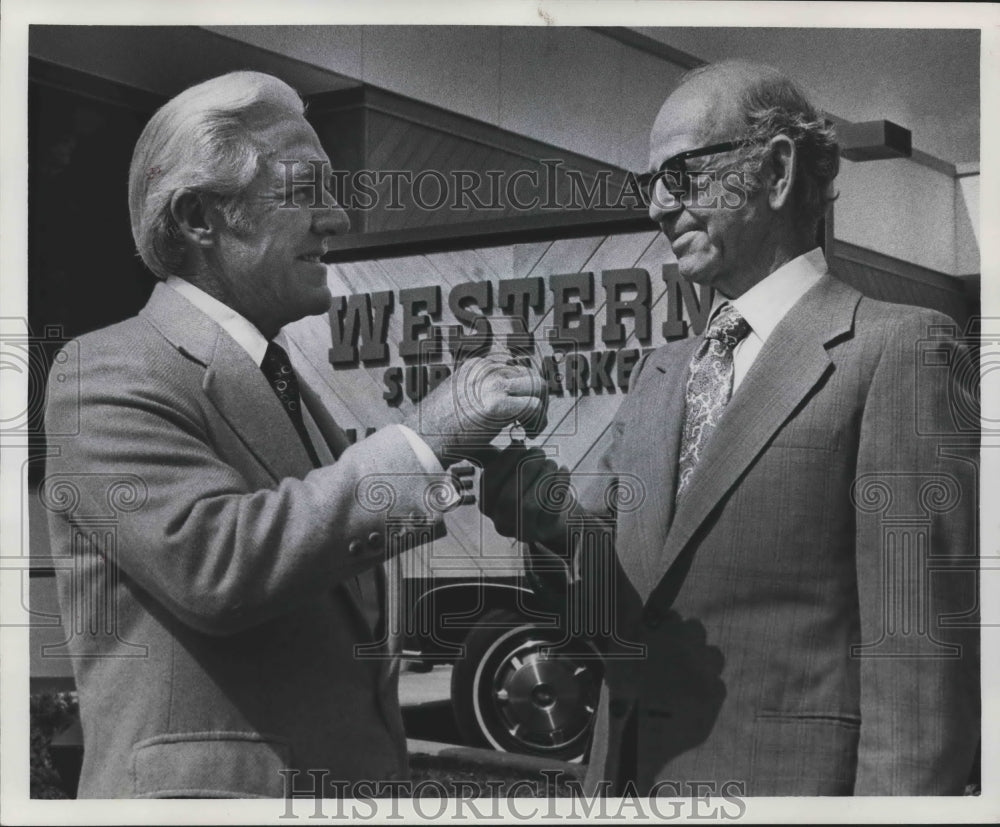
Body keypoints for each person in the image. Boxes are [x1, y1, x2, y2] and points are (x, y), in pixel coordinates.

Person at [479, 60, 979, 796]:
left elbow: (917, 676)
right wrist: (547, 519)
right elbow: (616, 620)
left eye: (680, 174)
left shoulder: (898, 351)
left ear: (776, 172)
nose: (656, 207)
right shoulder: (660, 374)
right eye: (647, 184)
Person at [41, 71, 545, 799]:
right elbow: (217, 563)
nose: (338, 218)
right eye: (306, 190)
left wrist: (462, 456)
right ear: (198, 217)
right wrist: (426, 438)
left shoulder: (282, 381)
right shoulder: (103, 370)